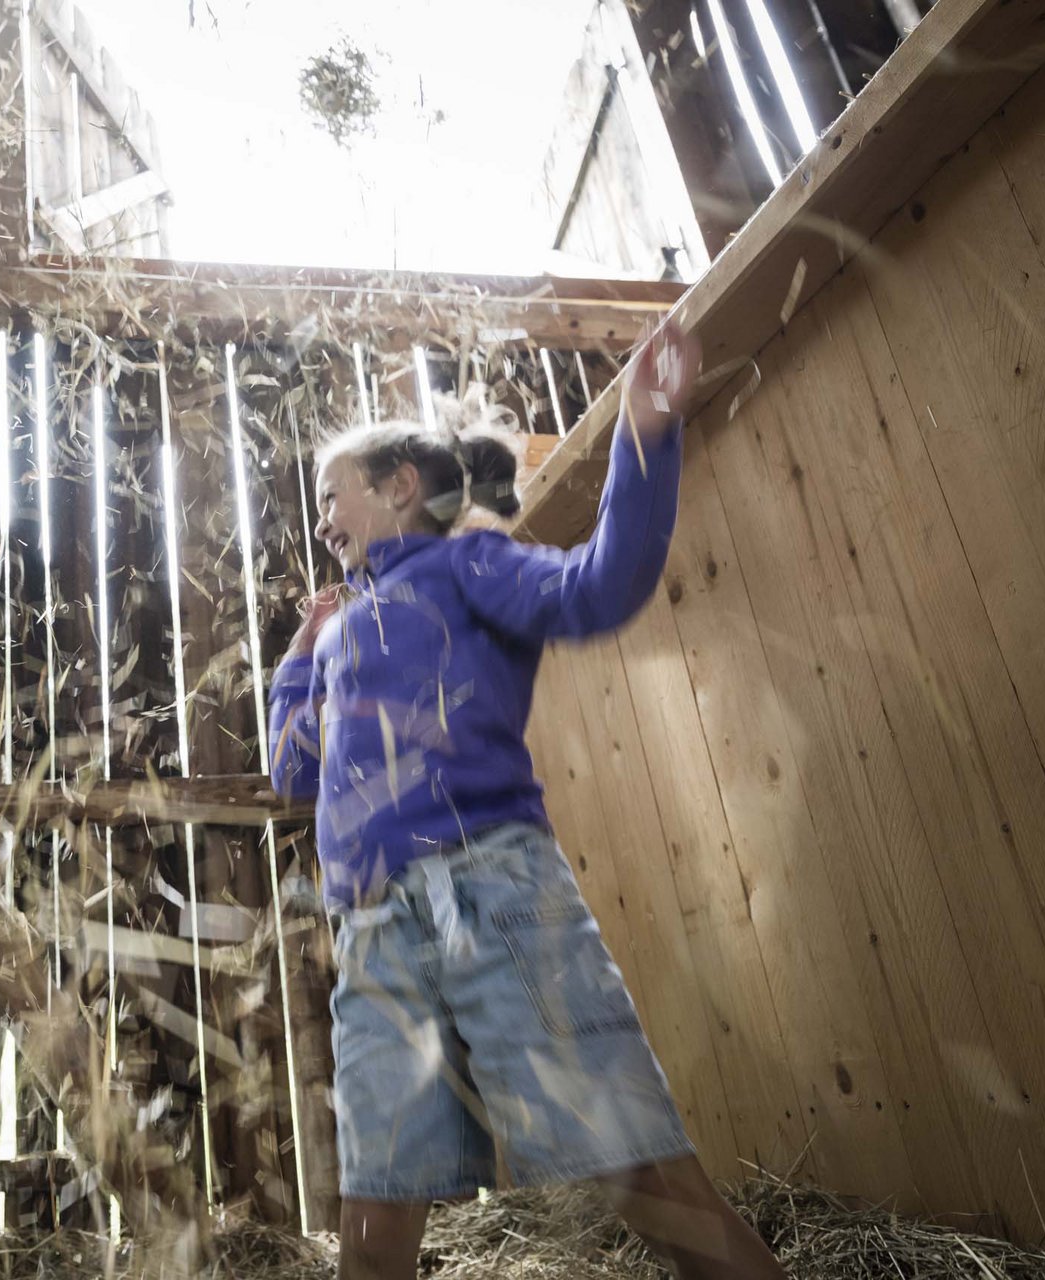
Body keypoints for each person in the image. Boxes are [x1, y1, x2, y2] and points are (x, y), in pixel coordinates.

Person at [270, 325, 784, 1280]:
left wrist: (644, 438)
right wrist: (303, 651)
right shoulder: (344, 636)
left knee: (639, 1176)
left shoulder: (469, 568)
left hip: (493, 898)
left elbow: (600, 586)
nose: (322, 521)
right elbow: (292, 771)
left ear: (398, 489)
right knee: (373, 1213)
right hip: (373, 935)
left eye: (332, 495)